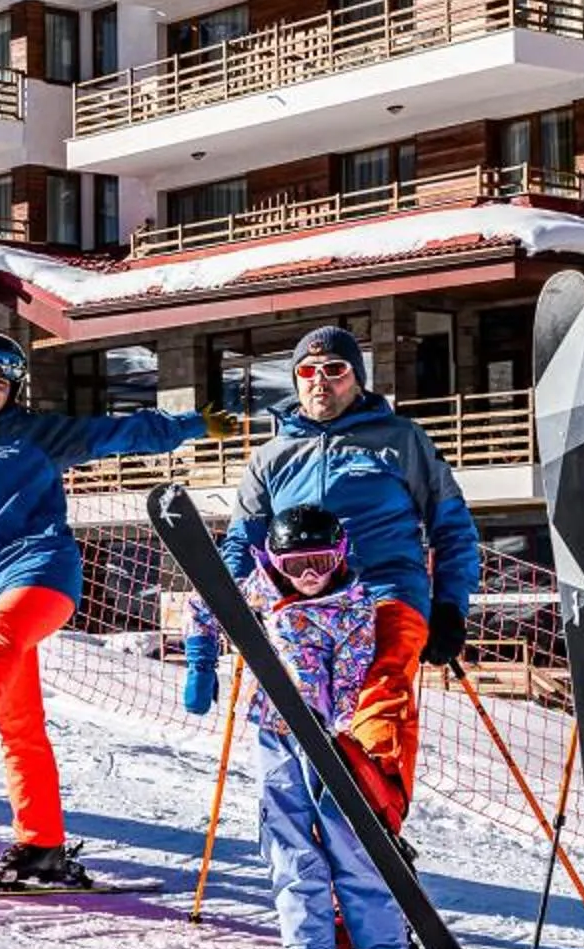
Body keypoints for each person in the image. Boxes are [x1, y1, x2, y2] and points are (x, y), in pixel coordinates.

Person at [0, 332, 243, 887]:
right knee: (21, 728)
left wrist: (189, 426)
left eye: (2, 382)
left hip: (40, 574)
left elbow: (116, 432)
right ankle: (40, 846)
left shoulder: (36, 434)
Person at [200, 324, 478, 816]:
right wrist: (227, 606)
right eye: (307, 371)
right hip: (303, 602)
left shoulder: (400, 440)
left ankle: (378, 791)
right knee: (302, 707)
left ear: (358, 378)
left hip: (385, 589)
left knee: (384, 675)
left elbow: (452, 527)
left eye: (335, 370)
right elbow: (243, 540)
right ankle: (312, 808)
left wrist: (451, 606)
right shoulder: (272, 457)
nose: (320, 381)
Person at [185, 505, 418, 949]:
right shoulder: (256, 592)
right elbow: (202, 606)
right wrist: (200, 663)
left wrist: (336, 736)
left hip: (329, 741)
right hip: (272, 733)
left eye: (320, 561)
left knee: (348, 842)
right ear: (274, 562)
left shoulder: (354, 608)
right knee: (286, 842)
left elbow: (353, 682)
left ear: (340, 556)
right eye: (295, 565)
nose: (310, 575)